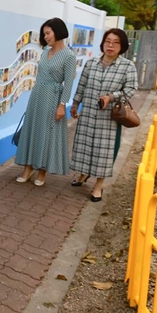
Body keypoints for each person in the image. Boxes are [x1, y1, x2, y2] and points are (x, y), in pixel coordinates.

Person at [70, 28, 138, 202]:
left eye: (116, 42)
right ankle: (83, 174)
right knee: (84, 145)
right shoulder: (91, 63)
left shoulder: (127, 66)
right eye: (108, 41)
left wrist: (111, 97)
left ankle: (98, 185)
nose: (111, 45)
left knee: (103, 152)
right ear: (102, 43)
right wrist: (76, 103)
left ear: (121, 46)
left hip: (108, 117)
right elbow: (82, 85)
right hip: (88, 114)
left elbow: (131, 89)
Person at [15, 17, 77, 186]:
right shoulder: (44, 52)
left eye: (48, 33)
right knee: (33, 130)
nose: (46, 37)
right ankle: (28, 167)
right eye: (44, 34)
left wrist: (62, 105)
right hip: (37, 95)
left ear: (58, 31)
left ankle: (42, 170)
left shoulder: (69, 56)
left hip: (54, 98)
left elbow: (69, 83)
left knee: (48, 133)